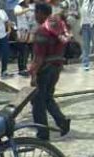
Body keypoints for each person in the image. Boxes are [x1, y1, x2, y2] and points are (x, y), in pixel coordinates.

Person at [30, 2, 72, 140]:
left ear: (41, 13)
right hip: (57, 67)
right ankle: (62, 121)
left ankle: (42, 134)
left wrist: (33, 74)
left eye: (36, 13)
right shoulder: (58, 27)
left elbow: (39, 57)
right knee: (47, 98)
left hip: (45, 69)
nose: (35, 16)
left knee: (37, 102)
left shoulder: (42, 30)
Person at [15, 0, 35, 76]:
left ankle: (29, 68)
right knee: (22, 51)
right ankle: (21, 69)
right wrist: (28, 9)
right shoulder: (18, 7)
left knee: (30, 51)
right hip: (21, 31)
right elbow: (17, 13)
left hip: (29, 31)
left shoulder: (31, 7)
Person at [82, 0, 94, 70]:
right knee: (86, 46)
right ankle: (86, 64)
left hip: (93, 25)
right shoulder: (85, 1)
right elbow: (83, 13)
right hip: (85, 25)